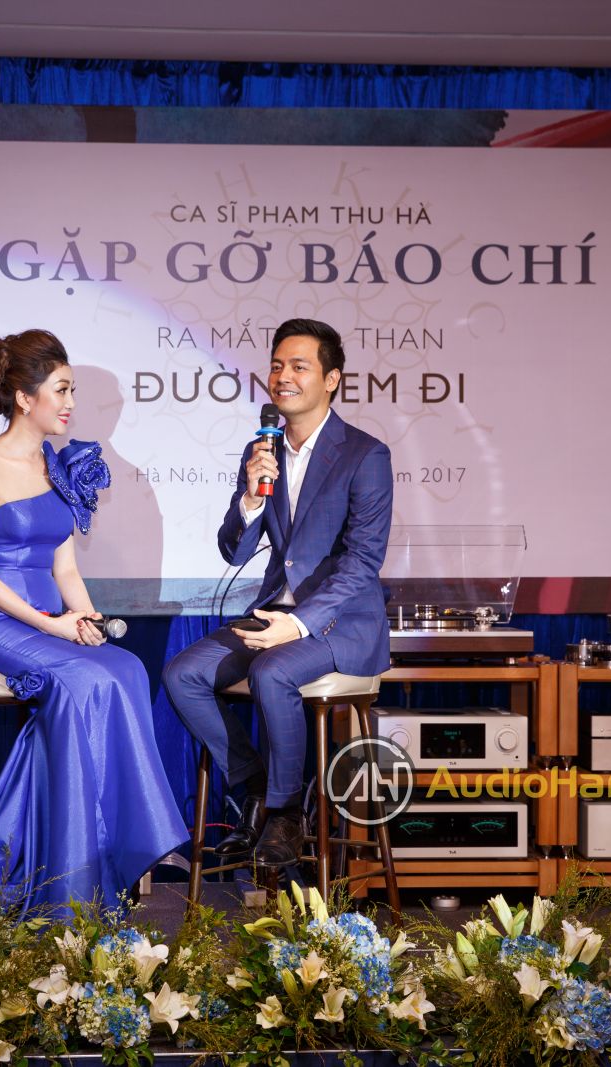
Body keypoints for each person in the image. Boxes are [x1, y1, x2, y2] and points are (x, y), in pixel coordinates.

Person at [0, 329, 187, 911]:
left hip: (46, 620)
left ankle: (87, 860)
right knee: (82, 681)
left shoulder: (55, 466)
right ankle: (63, 873)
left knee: (124, 668)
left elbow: (65, 566)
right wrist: (50, 625)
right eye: (61, 389)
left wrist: (84, 615)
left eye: (72, 389)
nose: (71, 402)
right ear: (24, 398)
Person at [163, 318, 395, 869]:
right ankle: (255, 791)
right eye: (276, 366)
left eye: (298, 366)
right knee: (183, 674)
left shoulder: (365, 455)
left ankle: (287, 813)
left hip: (340, 624)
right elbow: (234, 550)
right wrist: (250, 497)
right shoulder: (261, 449)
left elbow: (363, 562)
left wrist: (299, 623)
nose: (282, 376)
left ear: (331, 379)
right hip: (274, 615)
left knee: (272, 672)